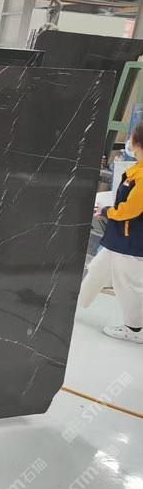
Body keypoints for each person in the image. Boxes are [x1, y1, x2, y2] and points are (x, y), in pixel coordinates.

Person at [78, 121, 143, 344]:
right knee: (97, 269)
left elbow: (132, 209)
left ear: (136, 142)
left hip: (131, 241)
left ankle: (135, 329)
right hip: (120, 238)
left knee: (127, 285)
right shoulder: (137, 170)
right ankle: (75, 303)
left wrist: (107, 211)